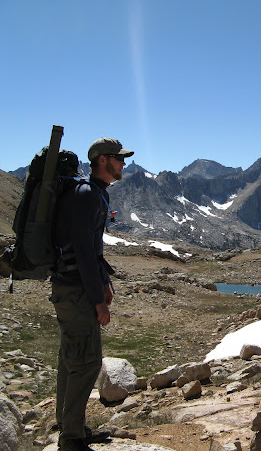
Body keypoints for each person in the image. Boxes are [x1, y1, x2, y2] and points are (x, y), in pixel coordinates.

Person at [50, 137, 133, 451]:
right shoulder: (86, 196)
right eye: (118, 158)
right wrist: (98, 301)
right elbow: (84, 252)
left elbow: (92, 252)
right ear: (102, 160)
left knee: (71, 358)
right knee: (86, 362)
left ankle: (70, 426)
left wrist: (104, 283)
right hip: (76, 291)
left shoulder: (94, 193)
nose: (123, 163)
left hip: (71, 287)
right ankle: (71, 438)